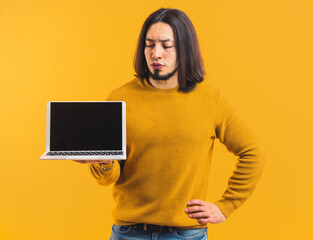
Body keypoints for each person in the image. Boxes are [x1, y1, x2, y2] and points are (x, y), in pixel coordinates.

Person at [75, 8, 264, 240]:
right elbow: (107, 179)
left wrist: (227, 205)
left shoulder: (211, 100)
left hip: (187, 234)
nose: (156, 53)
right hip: (129, 233)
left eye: (166, 45)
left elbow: (253, 152)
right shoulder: (119, 99)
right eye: (149, 44)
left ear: (184, 49)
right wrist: (103, 160)